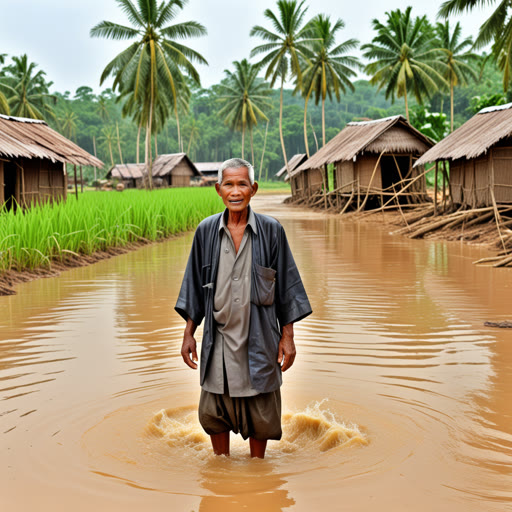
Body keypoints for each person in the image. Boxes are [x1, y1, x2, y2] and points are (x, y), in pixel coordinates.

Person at [175, 158, 312, 459]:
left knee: (261, 416)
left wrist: (287, 337)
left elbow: (287, 287)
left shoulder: (271, 231)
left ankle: (257, 471)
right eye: (229, 184)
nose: (235, 191)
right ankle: (220, 468)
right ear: (218, 189)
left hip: (259, 339)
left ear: (254, 189)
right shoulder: (206, 232)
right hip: (218, 342)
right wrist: (188, 334)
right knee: (214, 415)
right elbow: (193, 286)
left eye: (242, 184)